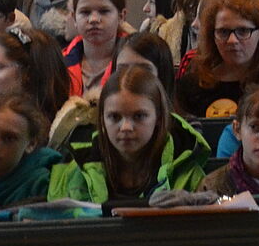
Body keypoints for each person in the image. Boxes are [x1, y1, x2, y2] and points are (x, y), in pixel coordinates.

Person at [48, 64, 209, 203]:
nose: (125, 127)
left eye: (139, 116)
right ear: (102, 119)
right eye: (115, 117)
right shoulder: (75, 174)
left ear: (159, 118)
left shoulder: (188, 176)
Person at [174, 0, 259, 119]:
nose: (232, 40)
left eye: (243, 31)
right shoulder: (192, 83)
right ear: (212, 35)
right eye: (223, 32)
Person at [61, 0, 127, 99]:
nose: (94, 19)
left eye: (104, 11)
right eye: (85, 12)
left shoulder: (136, 61)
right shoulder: (60, 63)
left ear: (121, 16)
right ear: (74, 17)